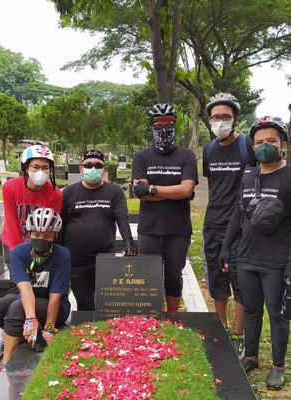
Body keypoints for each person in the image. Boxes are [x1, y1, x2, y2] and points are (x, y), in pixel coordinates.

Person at [221, 116, 290, 390]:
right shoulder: (249, 175)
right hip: (247, 257)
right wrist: (227, 247)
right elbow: (239, 213)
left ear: (283, 144)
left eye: (271, 141)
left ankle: (277, 366)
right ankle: (250, 356)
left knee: (276, 314)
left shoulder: (288, 177)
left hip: (277, 261)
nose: (264, 147)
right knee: (250, 310)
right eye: (259, 142)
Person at [0, 144, 62, 364]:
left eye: (45, 167)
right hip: (16, 245)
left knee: (25, 293)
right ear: (25, 168)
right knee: (17, 288)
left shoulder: (55, 193)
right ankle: (2, 336)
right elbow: (12, 222)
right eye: (35, 166)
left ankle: (15, 328)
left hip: (41, 246)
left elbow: (51, 225)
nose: (40, 171)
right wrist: (20, 256)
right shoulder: (11, 188)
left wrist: (41, 251)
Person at [202, 93, 256, 357]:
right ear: (209, 120)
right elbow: (214, 185)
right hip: (213, 224)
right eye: (215, 117)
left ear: (235, 119)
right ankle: (221, 329)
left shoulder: (247, 146)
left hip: (243, 226)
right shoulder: (209, 150)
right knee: (217, 280)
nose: (220, 121)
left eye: (225, 117)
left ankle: (238, 334)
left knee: (240, 281)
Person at [132, 103, 198, 313]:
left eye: (168, 124)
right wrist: (174, 192)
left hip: (178, 229)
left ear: (175, 125)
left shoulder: (186, 156)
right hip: (149, 229)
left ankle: (172, 318)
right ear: (151, 127)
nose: (163, 129)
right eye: (158, 124)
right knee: (148, 276)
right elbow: (140, 193)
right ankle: (152, 318)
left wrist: (151, 188)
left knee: (173, 276)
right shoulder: (141, 157)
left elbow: (187, 190)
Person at [0, 207, 70, 366]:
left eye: (47, 235)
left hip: (54, 306)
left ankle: (6, 365)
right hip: (27, 298)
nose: (41, 238)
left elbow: (55, 297)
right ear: (29, 234)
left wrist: (48, 328)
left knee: (17, 309)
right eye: (36, 234)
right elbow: (25, 288)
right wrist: (31, 319)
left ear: (55, 236)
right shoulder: (19, 253)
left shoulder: (62, 255)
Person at [59, 149, 136, 311]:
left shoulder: (115, 192)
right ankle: (87, 334)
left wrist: (128, 243)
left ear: (104, 169)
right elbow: (61, 224)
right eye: (88, 165)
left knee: (107, 303)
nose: (92, 168)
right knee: (85, 303)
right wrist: (59, 253)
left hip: (105, 256)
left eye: (97, 165)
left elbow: (122, 218)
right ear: (81, 168)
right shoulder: (69, 192)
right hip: (77, 260)